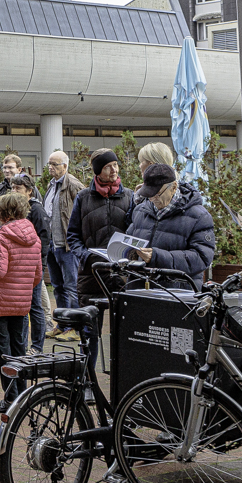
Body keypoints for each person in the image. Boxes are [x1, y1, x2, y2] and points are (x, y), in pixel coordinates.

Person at [0, 192, 43, 413]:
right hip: (21, 304)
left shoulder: (2, 236)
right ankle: (22, 396)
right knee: (19, 351)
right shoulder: (34, 238)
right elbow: (37, 276)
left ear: (3, 214)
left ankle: (10, 400)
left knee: (3, 352)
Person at [67, 148, 135, 375]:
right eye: (108, 166)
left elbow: (136, 232)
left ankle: (121, 381)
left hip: (121, 274)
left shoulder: (130, 197)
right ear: (98, 171)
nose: (114, 170)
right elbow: (72, 236)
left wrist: (129, 255)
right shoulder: (83, 198)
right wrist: (83, 254)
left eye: (116, 164)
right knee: (89, 333)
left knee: (124, 331)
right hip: (91, 274)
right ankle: (88, 381)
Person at [125, 163, 215, 287]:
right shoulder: (141, 210)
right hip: (140, 290)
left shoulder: (199, 216)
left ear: (173, 187)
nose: (153, 199)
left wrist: (157, 257)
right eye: (149, 195)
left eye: (157, 194)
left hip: (177, 295)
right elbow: (130, 241)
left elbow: (201, 258)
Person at [42, 151, 84, 342]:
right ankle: (63, 324)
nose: (51, 167)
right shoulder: (51, 185)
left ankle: (75, 328)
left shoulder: (73, 185)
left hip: (67, 246)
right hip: (53, 245)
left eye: (55, 164)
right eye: (49, 163)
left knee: (71, 286)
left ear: (65, 166)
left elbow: (83, 214)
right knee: (58, 287)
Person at [9, 173, 51, 353]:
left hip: (33, 267)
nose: (14, 191)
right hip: (18, 267)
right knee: (22, 307)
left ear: (29, 192)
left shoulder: (36, 211)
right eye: (12, 188)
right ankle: (22, 346)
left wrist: (38, 264)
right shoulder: (15, 209)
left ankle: (37, 347)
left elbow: (44, 239)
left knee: (34, 306)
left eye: (18, 188)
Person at [0, 155, 40, 234]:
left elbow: (37, 210)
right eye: (4, 167)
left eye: (10, 167)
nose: (6, 170)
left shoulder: (28, 188)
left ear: (19, 169)